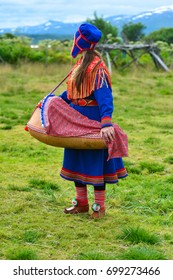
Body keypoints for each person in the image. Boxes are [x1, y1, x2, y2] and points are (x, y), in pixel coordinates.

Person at [59, 23, 128, 219]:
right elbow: (72, 92)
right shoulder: (79, 64)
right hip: (74, 120)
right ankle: (81, 203)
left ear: (79, 41)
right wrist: (55, 100)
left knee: (95, 163)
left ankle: (99, 207)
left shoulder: (98, 68)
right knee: (77, 161)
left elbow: (105, 97)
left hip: (92, 120)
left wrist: (106, 122)